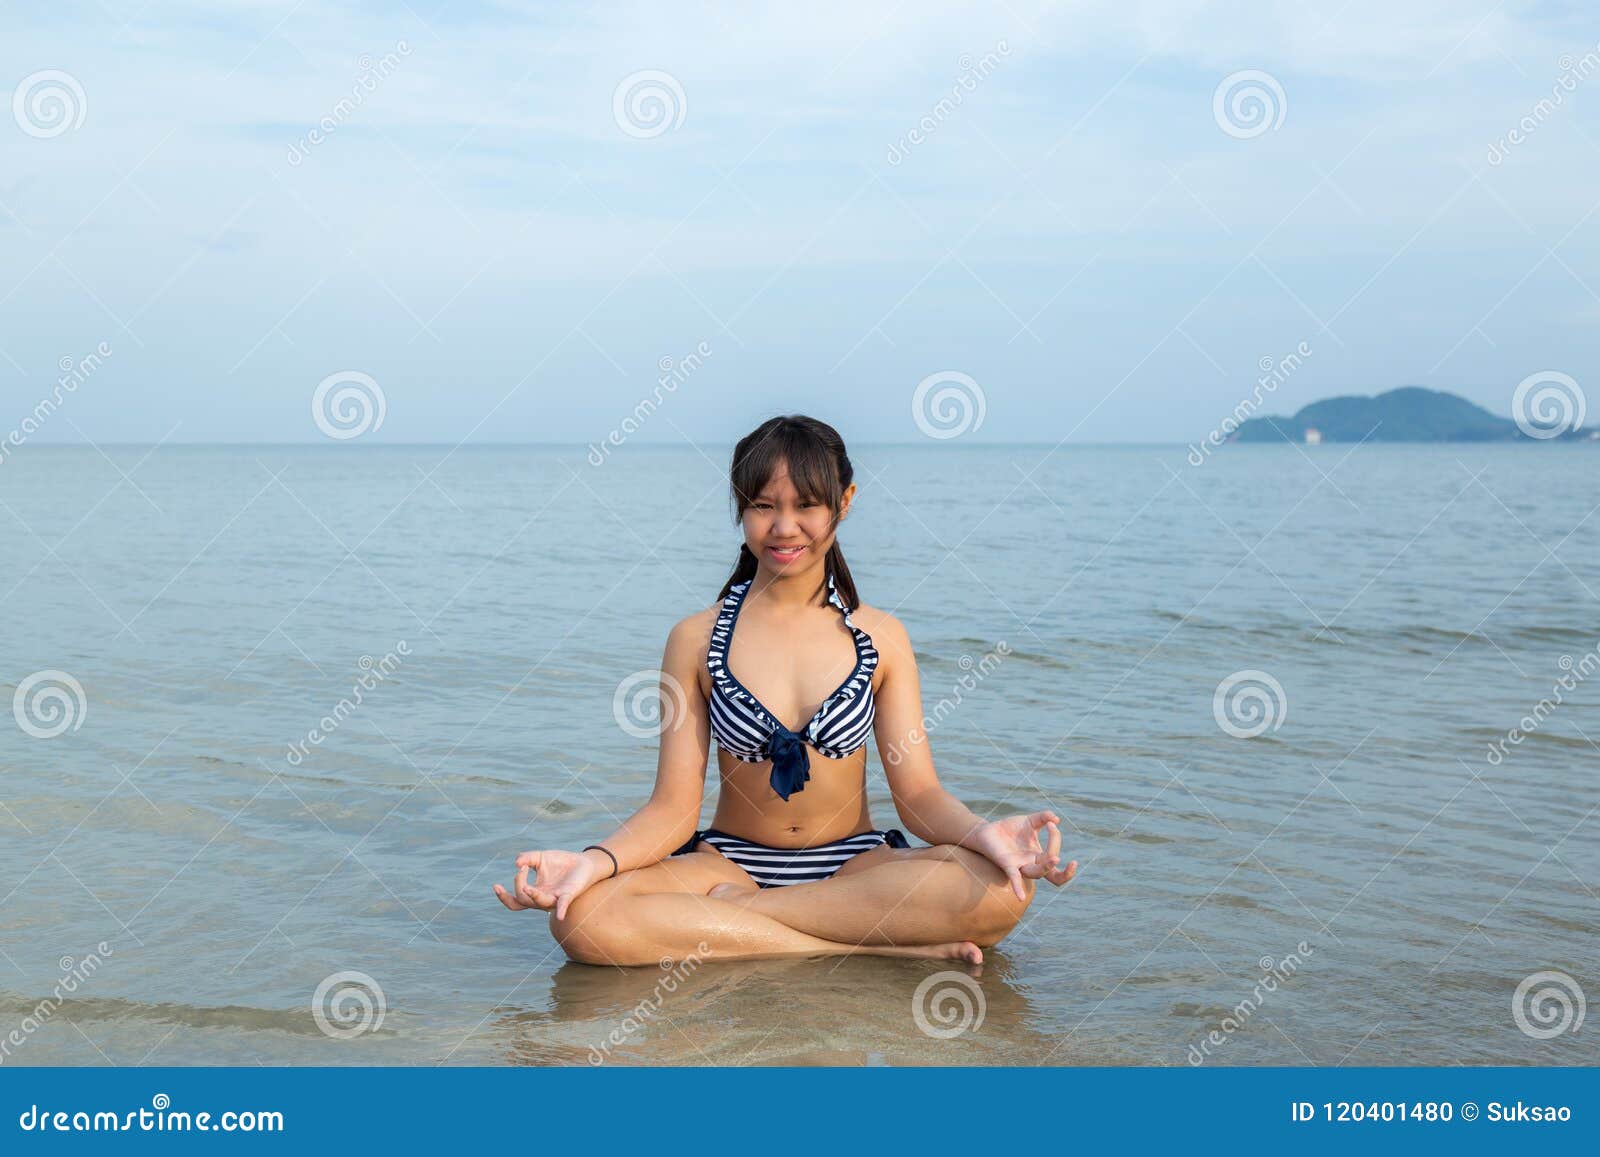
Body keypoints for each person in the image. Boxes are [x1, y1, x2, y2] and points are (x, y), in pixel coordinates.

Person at [494, 415, 1077, 964]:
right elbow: (673, 809)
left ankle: (745, 923)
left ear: (844, 503)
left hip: (854, 866)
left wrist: (984, 833)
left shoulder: (881, 637)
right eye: (762, 507)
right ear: (739, 508)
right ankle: (861, 949)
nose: (783, 527)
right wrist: (593, 863)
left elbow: (918, 795)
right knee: (583, 919)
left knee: (1001, 891)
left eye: (807, 506)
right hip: (729, 864)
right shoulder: (695, 639)